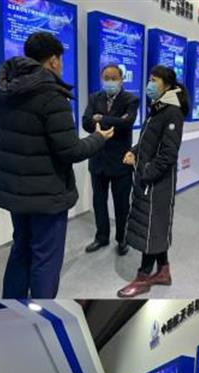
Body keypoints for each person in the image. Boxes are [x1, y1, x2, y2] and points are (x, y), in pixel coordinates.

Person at [0, 32, 114, 299]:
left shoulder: (2, 92)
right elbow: (71, 150)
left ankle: (11, 310)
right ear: (54, 60)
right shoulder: (52, 96)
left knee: (20, 249)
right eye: (61, 60)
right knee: (45, 259)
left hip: (14, 190)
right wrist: (98, 138)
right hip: (47, 194)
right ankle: (42, 313)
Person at [118, 66, 189, 298]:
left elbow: (168, 154)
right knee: (155, 226)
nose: (150, 84)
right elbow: (148, 141)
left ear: (167, 85)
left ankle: (143, 277)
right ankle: (163, 271)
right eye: (150, 79)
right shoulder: (158, 108)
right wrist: (134, 151)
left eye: (154, 79)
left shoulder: (172, 112)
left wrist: (146, 172)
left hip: (157, 181)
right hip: (149, 178)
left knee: (150, 228)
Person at [82, 64, 140, 256]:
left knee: (121, 204)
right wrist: (112, 120)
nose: (110, 82)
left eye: (114, 78)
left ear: (121, 79)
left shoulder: (130, 99)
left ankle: (122, 239)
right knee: (99, 202)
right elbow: (85, 123)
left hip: (120, 161)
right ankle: (101, 236)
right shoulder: (94, 97)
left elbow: (127, 123)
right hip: (97, 160)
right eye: (106, 78)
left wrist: (100, 118)